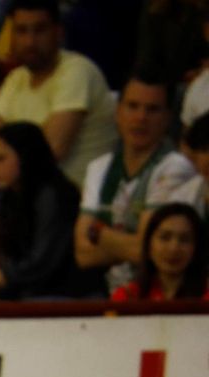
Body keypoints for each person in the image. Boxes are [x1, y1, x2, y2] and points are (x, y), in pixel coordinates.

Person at [75, 72, 198, 295]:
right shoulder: (99, 167)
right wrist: (132, 244)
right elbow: (83, 253)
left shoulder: (175, 167)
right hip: (109, 292)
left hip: (157, 295)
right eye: (133, 106)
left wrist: (100, 234)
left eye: (152, 109)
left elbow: (152, 251)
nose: (141, 118)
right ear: (118, 112)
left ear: (168, 117)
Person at [0, 0, 117, 186]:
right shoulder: (16, 78)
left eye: (39, 30)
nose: (30, 41)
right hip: (29, 197)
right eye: (21, 31)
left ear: (59, 32)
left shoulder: (77, 71)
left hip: (76, 200)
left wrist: (3, 156)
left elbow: (49, 153)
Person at [0, 122, 98, 299]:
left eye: (0, 159)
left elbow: (39, 266)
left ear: (26, 158)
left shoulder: (54, 195)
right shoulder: (8, 195)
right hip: (32, 292)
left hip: (69, 295)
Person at [110, 203, 209, 301]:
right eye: (165, 237)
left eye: (184, 239)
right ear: (149, 244)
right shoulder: (127, 297)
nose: (173, 248)